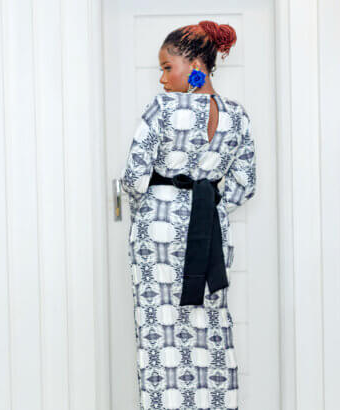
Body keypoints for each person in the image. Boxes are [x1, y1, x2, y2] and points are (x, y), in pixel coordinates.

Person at [120, 20, 256, 410]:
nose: (162, 78)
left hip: (158, 235)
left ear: (196, 64)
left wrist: (158, 207)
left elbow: (133, 176)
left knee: (158, 331)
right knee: (208, 326)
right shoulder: (237, 116)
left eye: (167, 67)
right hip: (210, 231)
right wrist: (207, 206)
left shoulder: (161, 109)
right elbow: (245, 184)